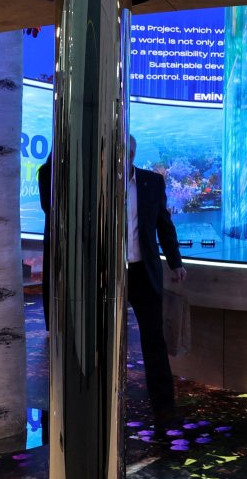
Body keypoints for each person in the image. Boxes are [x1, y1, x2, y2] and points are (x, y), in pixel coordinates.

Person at [39, 137, 187, 429]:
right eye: (114, 153)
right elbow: (51, 189)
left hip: (143, 272)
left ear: (132, 153)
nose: (119, 158)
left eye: (124, 152)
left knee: (153, 340)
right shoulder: (95, 183)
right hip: (106, 273)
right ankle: (99, 402)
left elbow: (163, 225)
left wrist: (175, 261)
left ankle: (164, 407)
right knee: (102, 339)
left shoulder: (151, 183)